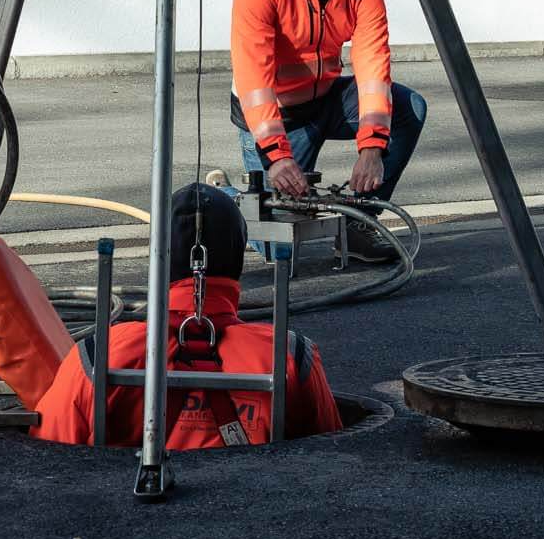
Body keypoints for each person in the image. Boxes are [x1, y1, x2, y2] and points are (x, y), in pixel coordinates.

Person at [34, 184, 342, 447]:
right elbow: (328, 460)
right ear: (237, 259)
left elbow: (52, 457)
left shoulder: (97, 354)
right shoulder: (288, 354)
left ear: (157, 258)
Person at [229, 0, 427, 260]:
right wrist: (278, 157)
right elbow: (254, 81)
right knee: (275, 248)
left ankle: (358, 227)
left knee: (409, 108)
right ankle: (223, 197)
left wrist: (372, 148)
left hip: (324, 100)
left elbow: (372, 68)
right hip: (277, 117)